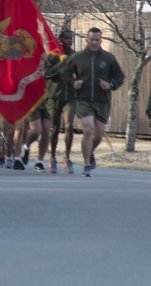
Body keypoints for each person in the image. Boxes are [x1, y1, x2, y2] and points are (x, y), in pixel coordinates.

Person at [63, 27, 125, 177]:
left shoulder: (108, 58)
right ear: (86, 40)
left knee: (98, 134)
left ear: (101, 40)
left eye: (97, 40)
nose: (94, 43)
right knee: (88, 129)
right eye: (92, 40)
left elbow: (119, 77)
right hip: (83, 99)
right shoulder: (77, 57)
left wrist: (110, 85)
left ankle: (90, 152)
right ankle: (86, 165)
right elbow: (64, 73)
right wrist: (73, 82)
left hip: (102, 100)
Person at [43, 29, 77, 173]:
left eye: (71, 38)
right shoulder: (52, 56)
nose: (69, 41)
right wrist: (60, 64)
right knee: (55, 128)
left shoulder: (76, 56)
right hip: (54, 95)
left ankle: (67, 158)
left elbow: (81, 73)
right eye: (66, 38)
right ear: (60, 39)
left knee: (69, 126)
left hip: (70, 96)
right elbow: (46, 74)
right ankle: (52, 158)